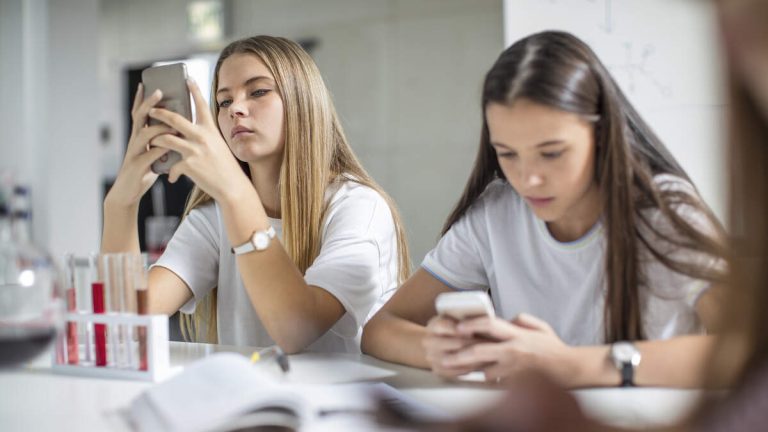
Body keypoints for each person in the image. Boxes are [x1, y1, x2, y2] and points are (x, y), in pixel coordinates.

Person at [362, 30, 727, 388]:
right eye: (507, 154)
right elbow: (381, 329)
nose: (528, 180)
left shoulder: (664, 211)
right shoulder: (496, 213)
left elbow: (750, 348)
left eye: (551, 153)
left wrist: (573, 365)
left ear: (600, 134)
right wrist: (438, 349)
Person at [101, 35, 410, 354]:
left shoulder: (358, 207)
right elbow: (127, 321)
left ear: (302, 100)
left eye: (258, 91)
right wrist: (120, 205)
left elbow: (296, 330)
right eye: (224, 101)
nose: (236, 108)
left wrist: (235, 194)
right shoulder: (214, 218)